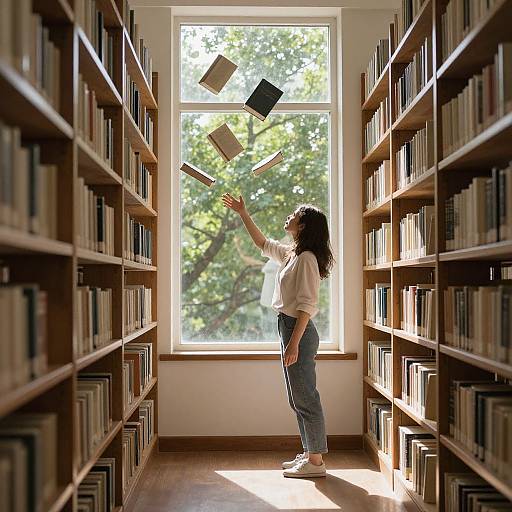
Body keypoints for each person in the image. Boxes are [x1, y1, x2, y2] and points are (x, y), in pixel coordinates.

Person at [221, 192, 334, 478]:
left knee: (306, 397)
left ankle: (316, 462)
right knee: (296, 398)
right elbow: (262, 243)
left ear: (305, 225)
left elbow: (308, 305)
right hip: (287, 326)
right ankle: (310, 453)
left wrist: (293, 343)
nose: (289, 216)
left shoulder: (307, 258)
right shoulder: (292, 254)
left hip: (299, 330)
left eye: (295, 214)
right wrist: (243, 213)